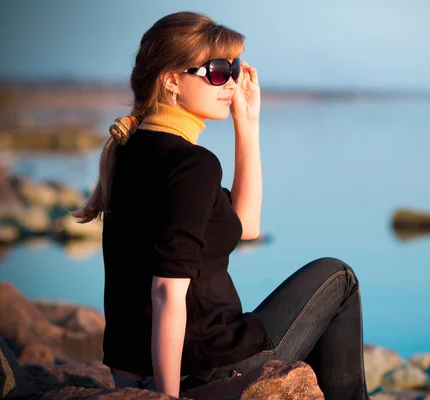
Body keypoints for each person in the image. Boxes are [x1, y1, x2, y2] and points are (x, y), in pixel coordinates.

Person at [73, 11, 369, 400]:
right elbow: (165, 291)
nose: (229, 81)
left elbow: (246, 225)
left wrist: (247, 124)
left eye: (232, 69)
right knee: (338, 277)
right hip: (207, 363)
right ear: (172, 80)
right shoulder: (192, 165)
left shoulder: (130, 150)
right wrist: (166, 396)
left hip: (135, 368)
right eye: (215, 71)